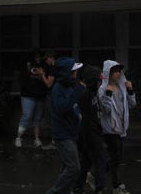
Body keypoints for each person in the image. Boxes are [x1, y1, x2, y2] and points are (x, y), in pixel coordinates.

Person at [46, 57, 85, 194]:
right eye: (73, 71)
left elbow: (73, 106)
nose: (76, 74)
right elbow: (62, 107)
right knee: (73, 168)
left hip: (71, 131)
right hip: (63, 134)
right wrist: (77, 92)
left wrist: (78, 115)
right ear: (66, 73)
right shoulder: (58, 88)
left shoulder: (70, 86)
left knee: (66, 167)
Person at [99, 60, 136, 194]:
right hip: (109, 128)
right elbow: (106, 110)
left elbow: (132, 104)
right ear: (108, 73)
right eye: (114, 71)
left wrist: (130, 90)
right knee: (115, 156)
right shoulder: (103, 89)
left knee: (117, 156)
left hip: (121, 127)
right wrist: (108, 94)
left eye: (119, 71)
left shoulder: (121, 87)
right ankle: (116, 185)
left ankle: (97, 174)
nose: (118, 74)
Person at [72, 65, 106, 194]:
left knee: (86, 160)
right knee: (100, 159)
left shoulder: (92, 93)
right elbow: (84, 114)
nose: (100, 83)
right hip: (90, 132)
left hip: (91, 131)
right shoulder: (85, 94)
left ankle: (78, 186)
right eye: (99, 80)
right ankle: (100, 187)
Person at [15, 49, 54, 148]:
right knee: (27, 116)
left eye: (39, 56)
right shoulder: (27, 65)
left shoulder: (45, 66)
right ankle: (18, 138)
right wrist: (29, 90)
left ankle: (37, 139)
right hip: (28, 96)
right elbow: (22, 80)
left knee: (37, 119)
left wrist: (41, 76)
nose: (38, 58)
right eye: (36, 56)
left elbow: (48, 80)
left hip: (40, 96)